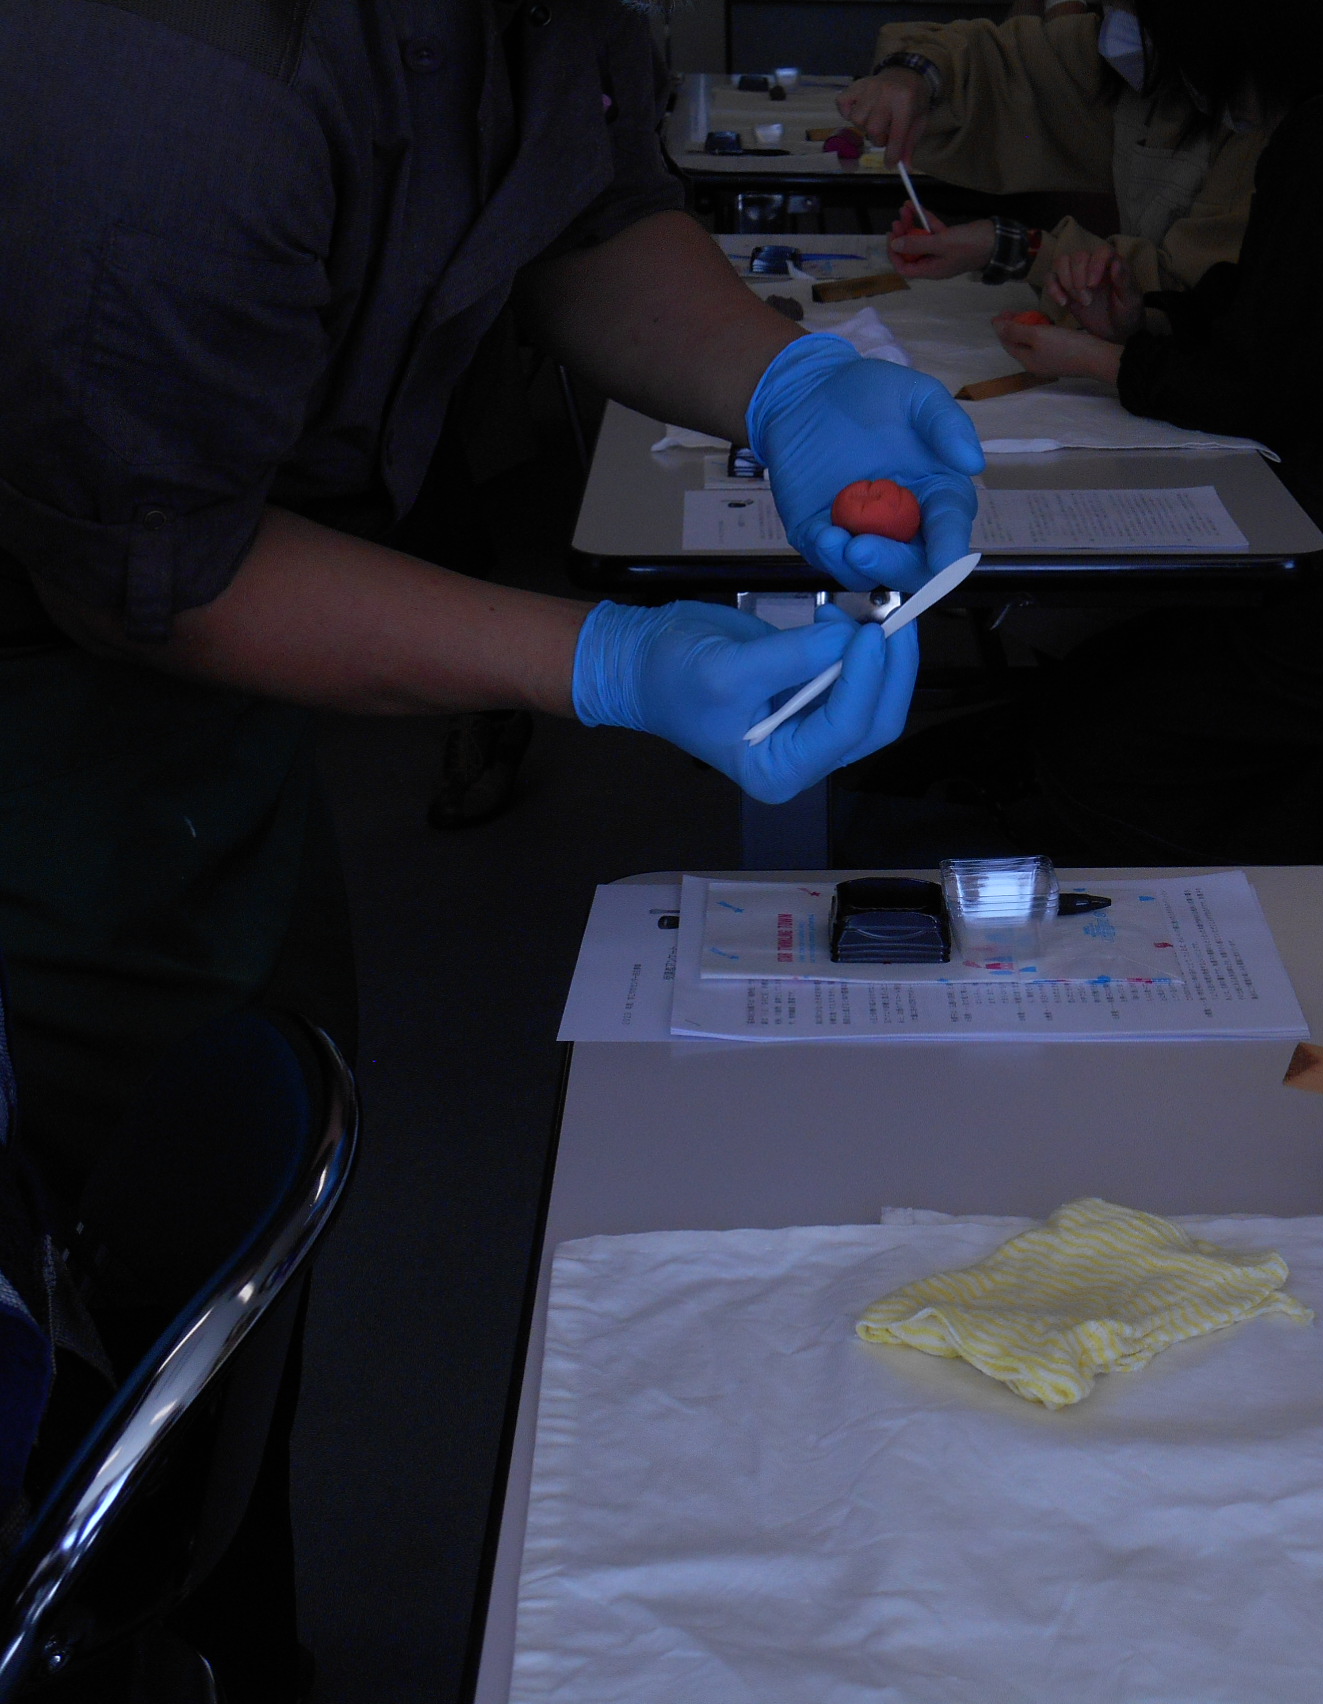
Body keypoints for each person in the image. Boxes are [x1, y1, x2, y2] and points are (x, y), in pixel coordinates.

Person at [0, 0, 979, 1688]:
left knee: (246, 1220)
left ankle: (226, 1631)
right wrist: (606, 661)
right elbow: (154, 576)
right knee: (99, 1311)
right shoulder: (174, 77)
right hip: (52, 721)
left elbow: (577, 202)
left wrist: (784, 377)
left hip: (213, 695)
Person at [885, 0, 1323, 863]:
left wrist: (1101, 359)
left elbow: (1269, 390)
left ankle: (1237, 899)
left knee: (1111, 717)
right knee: (1103, 678)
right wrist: (1139, 323)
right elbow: (1281, 328)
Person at [836, 4, 1271, 301]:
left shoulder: (1264, 116)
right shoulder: (1131, 53)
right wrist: (912, 77)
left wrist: (1021, 252)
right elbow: (1002, 62)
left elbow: (1190, 299)